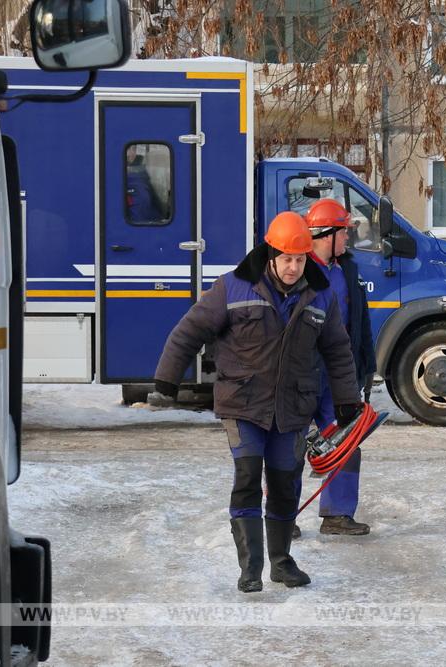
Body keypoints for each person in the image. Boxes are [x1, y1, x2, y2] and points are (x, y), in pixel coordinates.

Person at [152, 211, 362, 592]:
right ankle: (250, 569)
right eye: (287, 259)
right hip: (243, 402)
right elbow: (189, 330)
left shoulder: (321, 296)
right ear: (271, 253)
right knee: (248, 478)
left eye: (300, 259)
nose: (294, 267)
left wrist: (347, 399)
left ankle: (281, 563)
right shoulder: (233, 287)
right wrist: (167, 378)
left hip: (292, 408)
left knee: (285, 485)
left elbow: (337, 350)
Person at [300, 198, 377, 536]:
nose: (348, 238)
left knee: (346, 441)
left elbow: (359, 322)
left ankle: (337, 515)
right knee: (287, 447)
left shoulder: (346, 270)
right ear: (326, 234)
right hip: (301, 376)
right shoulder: (296, 268)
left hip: (338, 376)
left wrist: (366, 366)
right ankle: (280, 519)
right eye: (344, 232)